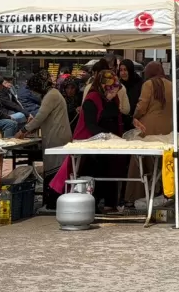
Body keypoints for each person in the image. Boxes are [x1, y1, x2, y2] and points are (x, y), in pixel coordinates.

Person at [18, 70, 73, 210]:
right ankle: (52, 201)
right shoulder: (52, 94)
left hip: (57, 137)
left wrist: (23, 131)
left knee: (55, 169)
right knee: (55, 168)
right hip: (56, 135)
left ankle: (53, 202)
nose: (34, 93)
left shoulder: (51, 95)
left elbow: (40, 117)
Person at [73, 69, 127, 211]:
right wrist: (107, 136)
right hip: (93, 146)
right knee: (96, 173)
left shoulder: (113, 100)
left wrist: (133, 121)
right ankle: (92, 205)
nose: (114, 93)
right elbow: (90, 125)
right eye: (112, 90)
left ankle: (110, 204)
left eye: (116, 90)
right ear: (103, 86)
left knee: (111, 173)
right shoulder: (92, 99)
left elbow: (118, 116)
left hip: (111, 145)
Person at [125, 61, 175, 205]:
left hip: (147, 129)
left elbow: (142, 106)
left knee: (139, 162)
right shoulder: (170, 84)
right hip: (167, 129)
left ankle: (135, 195)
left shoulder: (148, 84)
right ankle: (161, 191)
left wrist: (134, 117)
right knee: (160, 164)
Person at [118, 58, 144, 132]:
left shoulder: (139, 83)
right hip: (123, 121)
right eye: (121, 70)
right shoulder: (118, 85)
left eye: (125, 70)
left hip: (138, 121)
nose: (123, 73)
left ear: (130, 70)